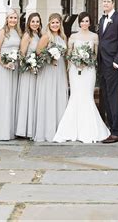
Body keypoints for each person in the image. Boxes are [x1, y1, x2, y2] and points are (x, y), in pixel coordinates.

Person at [54, 12, 110, 143]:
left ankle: (89, 130)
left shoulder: (95, 36)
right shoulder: (73, 36)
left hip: (89, 71)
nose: (84, 23)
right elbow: (69, 54)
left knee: (87, 97)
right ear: (79, 22)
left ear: (90, 23)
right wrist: (76, 62)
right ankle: (71, 129)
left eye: (87, 21)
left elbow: (96, 56)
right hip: (75, 71)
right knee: (75, 96)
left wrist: (87, 62)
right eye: (82, 21)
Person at [97, 0, 118, 143]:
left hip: (112, 64)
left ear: (113, 3)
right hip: (102, 63)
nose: (106, 4)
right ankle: (109, 128)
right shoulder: (102, 19)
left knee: (113, 96)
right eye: (104, 1)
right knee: (105, 96)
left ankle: (117, 131)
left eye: (108, 1)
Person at [0, 10, 21, 140]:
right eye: (10, 18)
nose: (13, 20)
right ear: (6, 19)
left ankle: (9, 130)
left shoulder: (18, 32)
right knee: (3, 97)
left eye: (15, 18)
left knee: (11, 97)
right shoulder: (2, 32)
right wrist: (4, 64)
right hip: (2, 69)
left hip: (14, 68)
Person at [34, 13, 68, 142]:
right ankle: (47, 131)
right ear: (49, 24)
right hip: (49, 70)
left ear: (60, 24)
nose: (55, 25)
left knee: (58, 97)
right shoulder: (46, 37)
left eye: (57, 23)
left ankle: (59, 130)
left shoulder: (62, 37)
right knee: (49, 97)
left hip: (59, 71)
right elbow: (38, 52)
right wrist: (49, 58)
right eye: (52, 23)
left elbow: (64, 56)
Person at [16, 12, 42, 139]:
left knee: (34, 98)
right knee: (27, 97)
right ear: (28, 23)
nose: (35, 24)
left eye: (37, 21)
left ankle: (32, 127)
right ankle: (23, 129)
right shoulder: (27, 35)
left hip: (36, 71)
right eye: (33, 21)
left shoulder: (38, 35)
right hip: (28, 71)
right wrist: (29, 65)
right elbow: (22, 54)